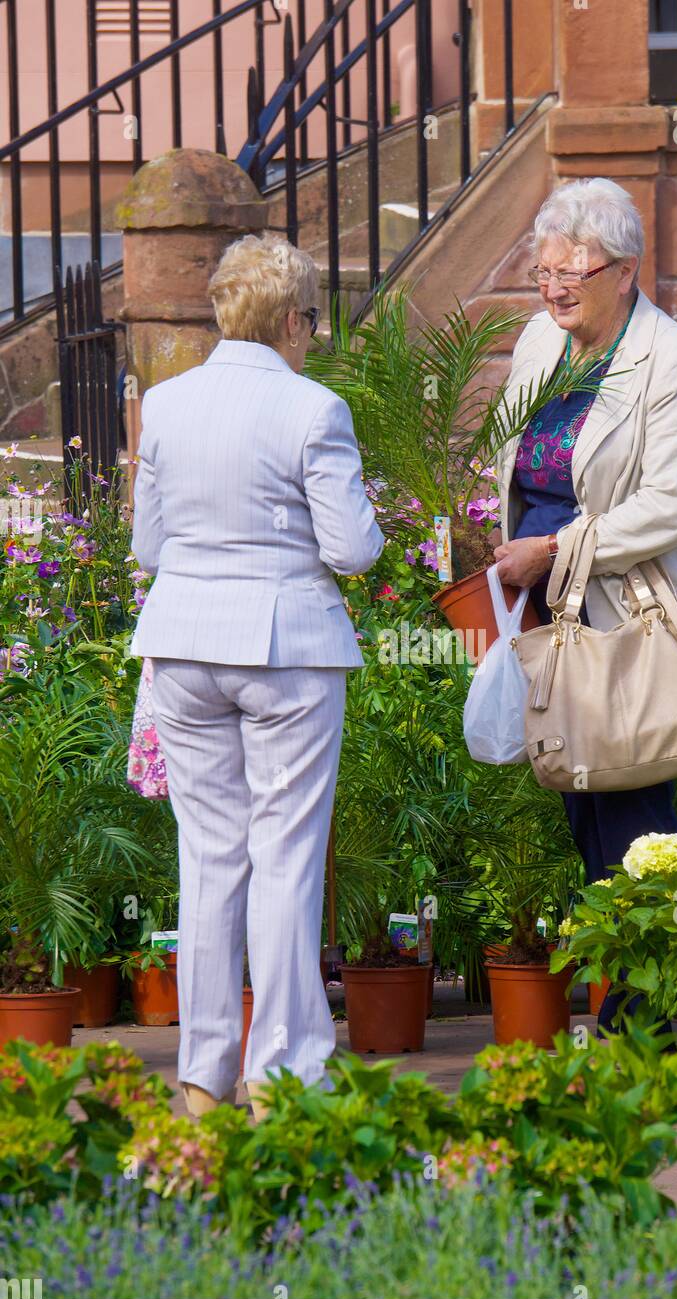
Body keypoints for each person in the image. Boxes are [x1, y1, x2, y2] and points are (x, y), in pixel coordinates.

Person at [129, 232, 384, 1119]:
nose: (313, 335)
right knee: (285, 858)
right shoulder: (313, 409)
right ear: (288, 320)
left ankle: (202, 1078)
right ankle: (282, 1079)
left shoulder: (165, 405)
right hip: (286, 650)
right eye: (312, 319)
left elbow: (146, 546)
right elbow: (352, 551)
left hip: (184, 643)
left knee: (207, 860)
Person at [492, 178, 677, 1032]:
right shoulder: (536, 341)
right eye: (543, 269)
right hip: (550, 612)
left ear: (623, 270)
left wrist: (554, 549)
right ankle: (629, 1017)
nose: (553, 286)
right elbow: (514, 460)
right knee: (581, 804)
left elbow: (671, 503)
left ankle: (649, 1023)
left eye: (571, 271)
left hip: (630, 613)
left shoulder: (673, 360)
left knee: (635, 818)